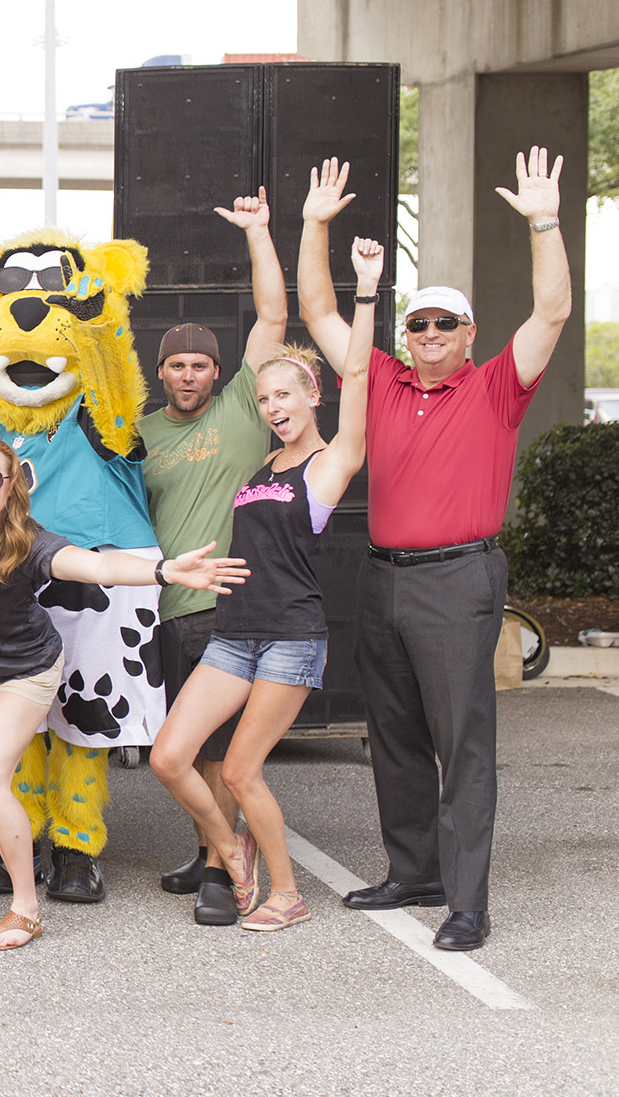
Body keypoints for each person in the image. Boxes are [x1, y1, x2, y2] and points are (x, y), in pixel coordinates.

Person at [295, 150, 570, 951]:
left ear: (470, 334)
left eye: (445, 322)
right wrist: (315, 227)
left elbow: (550, 314)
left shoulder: (494, 386)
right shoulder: (379, 379)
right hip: (384, 577)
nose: (428, 334)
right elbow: (317, 309)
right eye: (417, 322)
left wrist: (545, 224)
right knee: (396, 734)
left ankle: (467, 901)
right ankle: (415, 871)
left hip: (458, 578)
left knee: (463, 740)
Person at [0, 441, 246, 949]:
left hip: (24, 667)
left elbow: (98, 569)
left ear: (13, 488)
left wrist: (165, 572)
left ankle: (25, 908)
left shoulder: (31, 542)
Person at [151, 245, 378, 932]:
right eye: (266, 398)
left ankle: (287, 893)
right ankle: (231, 850)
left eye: (286, 395)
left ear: (314, 396)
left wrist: (365, 294)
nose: (275, 407)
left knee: (244, 773)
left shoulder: (329, 462)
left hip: (289, 637)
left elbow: (361, 371)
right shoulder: (265, 459)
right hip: (232, 632)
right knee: (168, 758)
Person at [136, 189, 288, 925]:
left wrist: (259, 234)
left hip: (231, 608)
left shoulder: (241, 408)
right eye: (178, 366)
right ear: (160, 372)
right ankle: (208, 852)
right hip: (171, 608)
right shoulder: (140, 433)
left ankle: (227, 871)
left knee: (219, 750)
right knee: (186, 749)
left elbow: (275, 320)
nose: (190, 375)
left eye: (201, 365)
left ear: (218, 372)